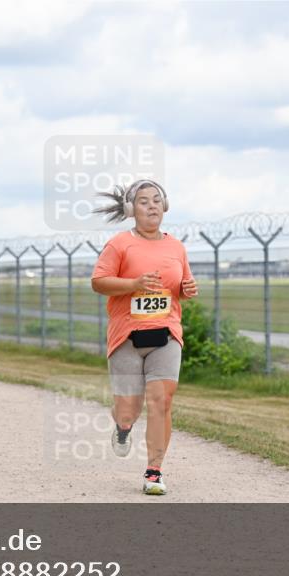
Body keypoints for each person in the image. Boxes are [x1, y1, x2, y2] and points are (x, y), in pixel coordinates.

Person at [90, 180, 199, 495]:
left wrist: (186, 290)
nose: (151, 206)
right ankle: (123, 428)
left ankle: (154, 471)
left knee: (161, 401)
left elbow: (182, 284)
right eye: (143, 201)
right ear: (130, 209)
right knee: (129, 409)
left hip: (166, 333)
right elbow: (99, 282)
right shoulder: (120, 244)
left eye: (156, 200)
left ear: (164, 206)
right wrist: (134, 283)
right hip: (126, 335)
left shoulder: (176, 246)